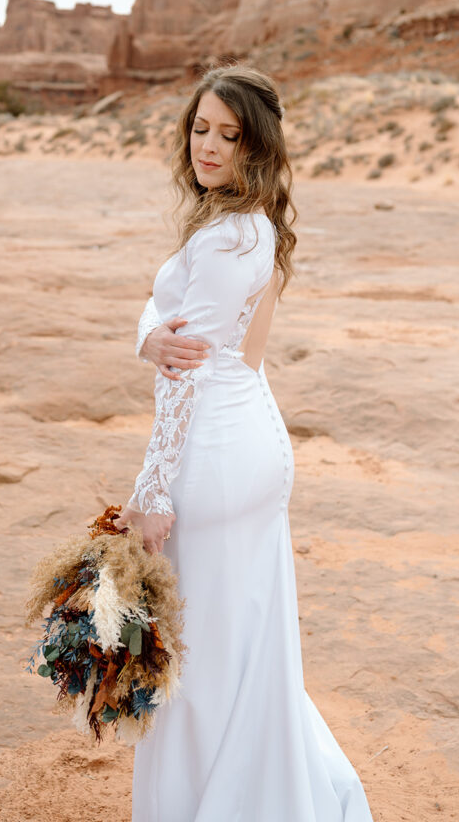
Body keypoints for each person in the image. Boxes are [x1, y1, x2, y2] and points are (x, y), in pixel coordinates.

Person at [114, 65, 374, 821]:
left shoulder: (229, 237)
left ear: (254, 146)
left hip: (216, 461)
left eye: (229, 135)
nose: (209, 145)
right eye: (200, 128)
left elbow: (186, 374)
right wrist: (148, 338)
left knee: (196, 659)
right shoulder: (247, 223)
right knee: (243, 649)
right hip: (250, 435)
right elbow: (200, 338)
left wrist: (152, 493)